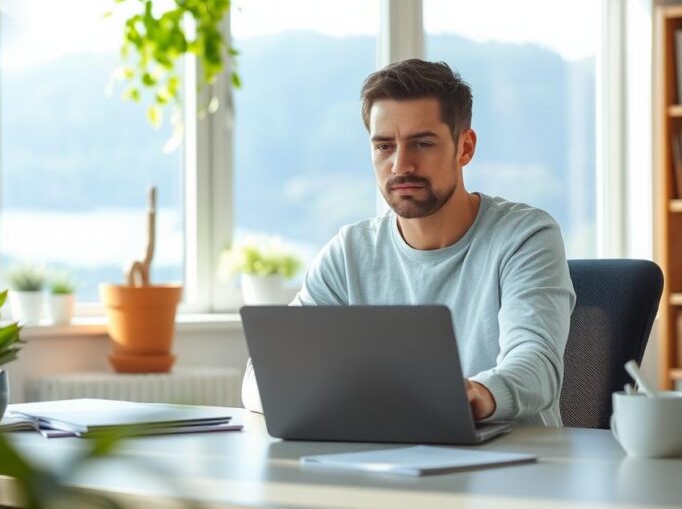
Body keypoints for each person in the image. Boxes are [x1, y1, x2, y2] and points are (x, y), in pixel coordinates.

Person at [241, 58, 575, 426]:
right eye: (384, 146)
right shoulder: (349, 252)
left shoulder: (525, 237)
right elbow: (262, 377)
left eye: (422, 143)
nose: (401, 165)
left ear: (464, 147)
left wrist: (476, 395)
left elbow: (536, 363)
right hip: (384, 463)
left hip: (513, 467)